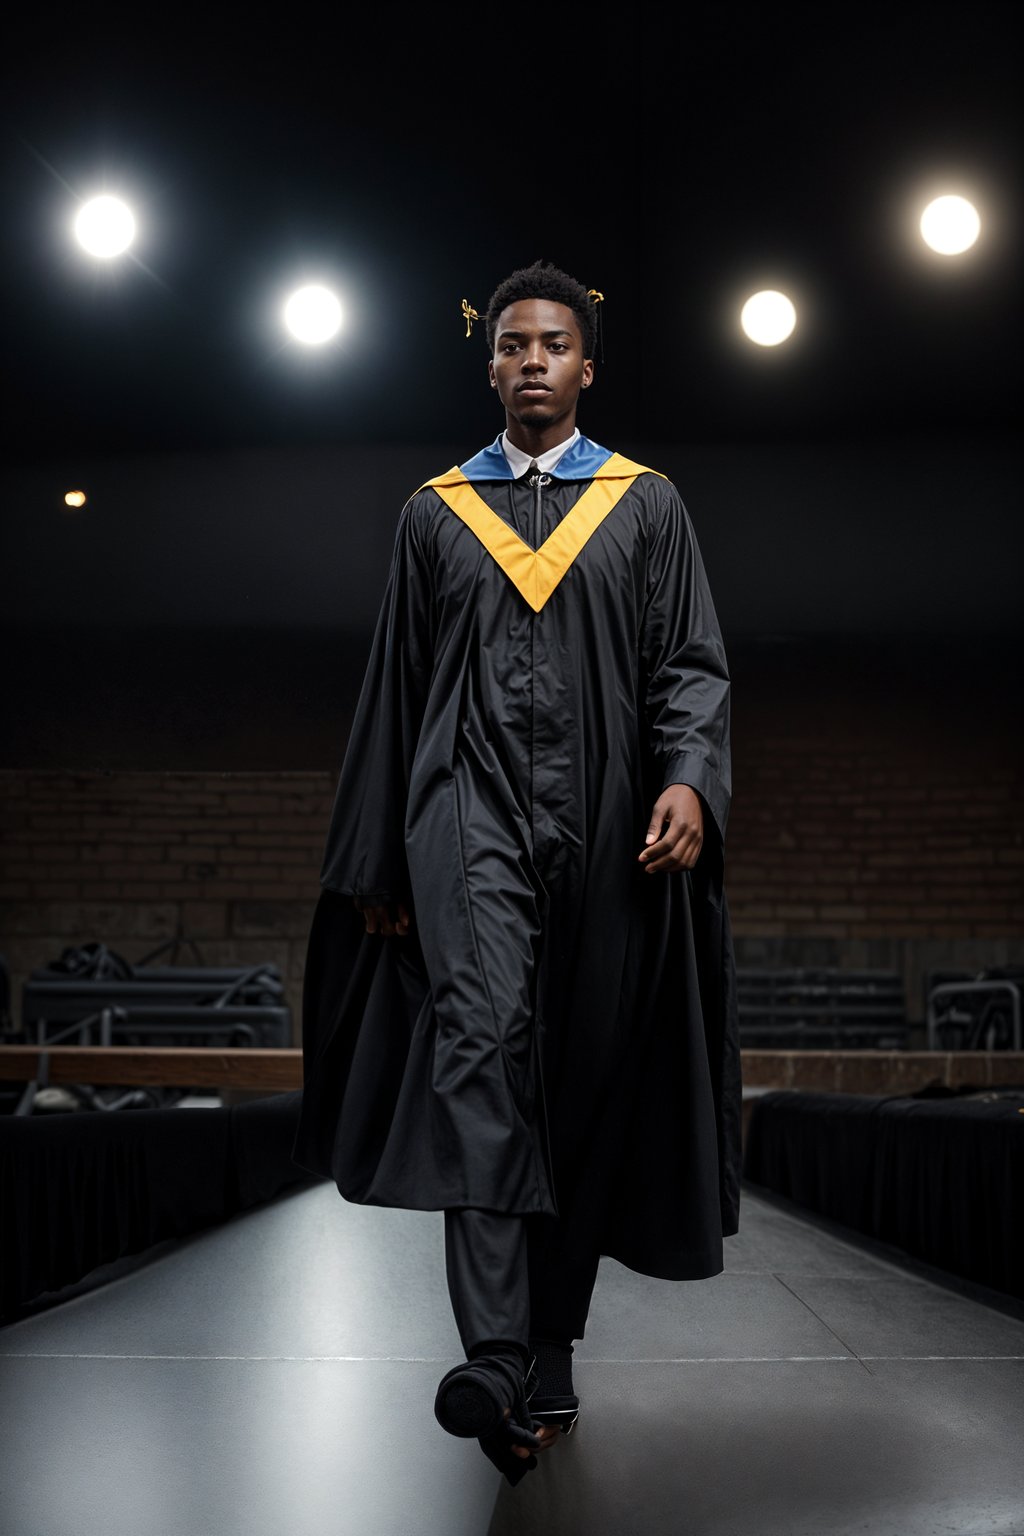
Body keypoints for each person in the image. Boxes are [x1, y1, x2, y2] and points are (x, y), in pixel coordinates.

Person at [291, 260, 741, 1485]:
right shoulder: (435, 513)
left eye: (553, 344)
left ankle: (549, 1345)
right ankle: (491, 1350)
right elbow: (392, 694)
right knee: (480, 1053)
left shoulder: (646, 506)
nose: (531, 358)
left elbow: (689, 666)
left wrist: (689, 777)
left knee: (581, 1080)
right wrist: (380, 853)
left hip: (609, 823)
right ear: (487, 365)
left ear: (585, 368)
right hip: (464, 810)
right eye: (510, 344)